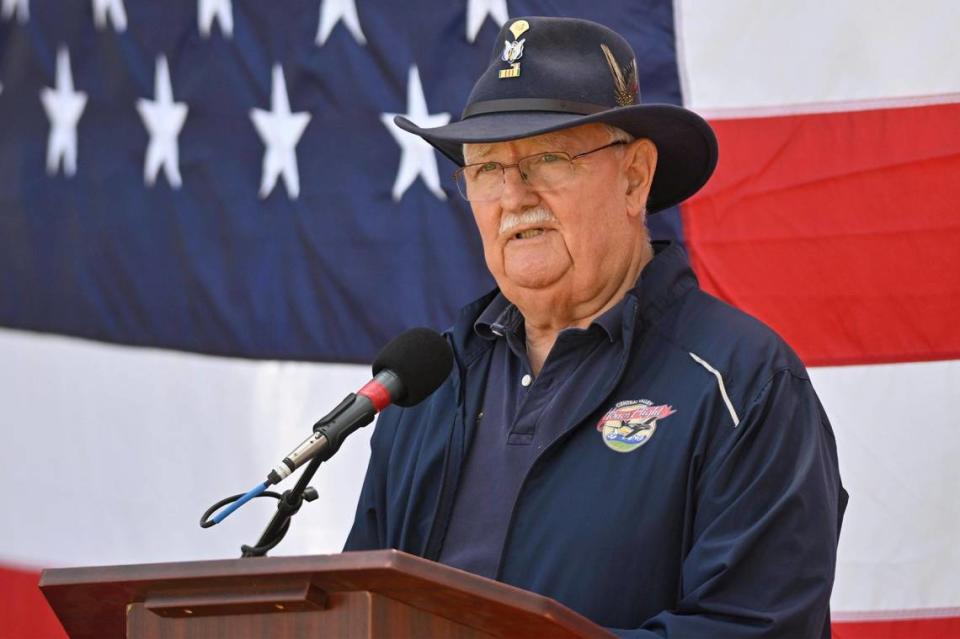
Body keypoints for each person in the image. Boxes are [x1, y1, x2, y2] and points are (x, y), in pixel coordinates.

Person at [345, 16, 847, 638]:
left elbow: (757, 629)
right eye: (486, 169)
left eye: (546, 159)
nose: (513, 197)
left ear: (634, 177)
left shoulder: (745, 382)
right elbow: (359, 608)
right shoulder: (428, 387)